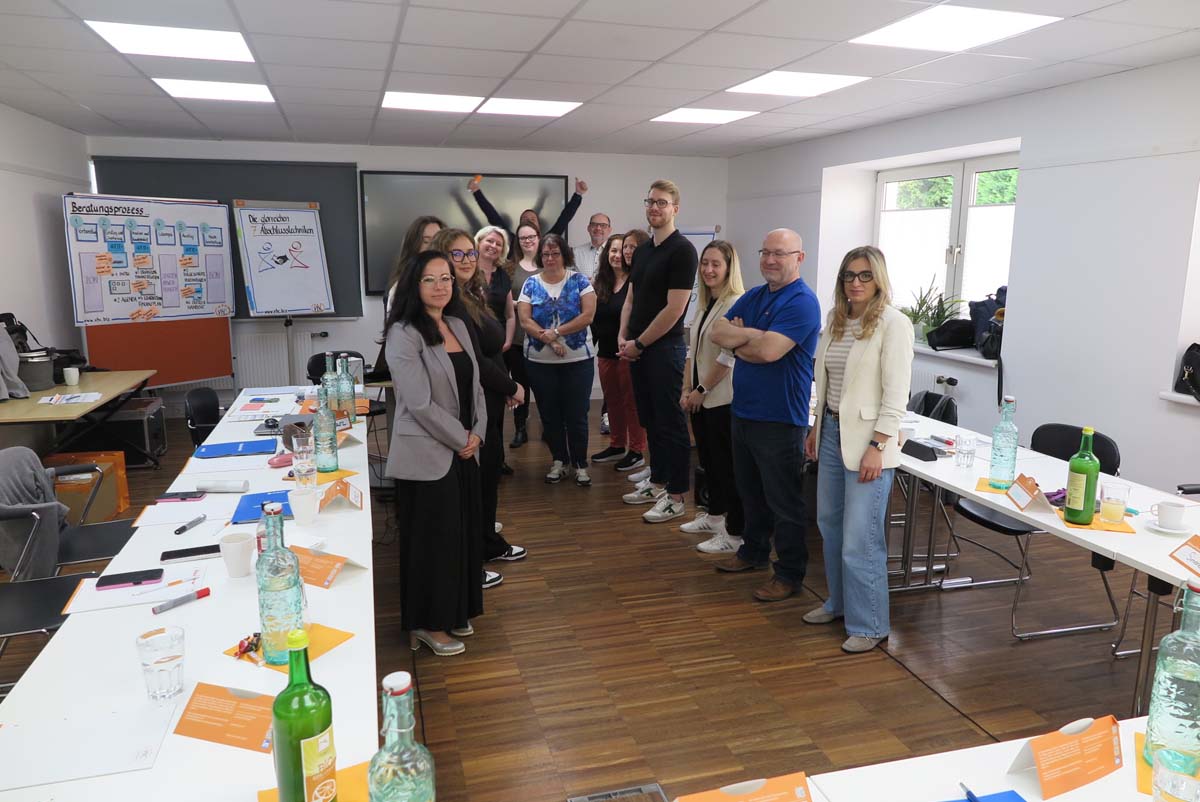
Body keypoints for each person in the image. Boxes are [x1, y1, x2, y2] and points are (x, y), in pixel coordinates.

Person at [805, 246, 913, 653]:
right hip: (831, 432)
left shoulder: (893, 324)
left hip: (870, 442)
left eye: (865, 275)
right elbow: (828, 384)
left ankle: (870, 624)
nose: (856, 282)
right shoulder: (836, 319)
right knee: (829, 525)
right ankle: (839, 604)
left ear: (878, 279)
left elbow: (896, 394)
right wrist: (817, 429)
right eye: (849, 275)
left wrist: (878, 445)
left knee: (860, 539)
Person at [709, 229, 821, 604]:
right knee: (751, 493)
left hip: (780, 418)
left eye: (780, 254)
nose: (770, 260)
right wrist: (752, 337)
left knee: (784, 502)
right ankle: (753, 552)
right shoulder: (755, 295)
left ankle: (789, 573)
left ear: (799, 258)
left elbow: (769, 352)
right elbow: (718, 332)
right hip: (744, 412)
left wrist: (743, 338)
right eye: (765, 252)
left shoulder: (803, 302)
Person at [385, 250, 486, 657]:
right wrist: (462, 438)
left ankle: (455, 611)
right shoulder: (404, 333)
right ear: (415, 284)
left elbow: (475, 386)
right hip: (428, 452)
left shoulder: (457, 324)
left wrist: (478, 433)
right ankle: (426, 624)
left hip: (465, 447)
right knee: (433, 543)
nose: (440, 286)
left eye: (446, 278)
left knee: (461, 536)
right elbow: (419, 403)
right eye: (430, 279)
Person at [430, 228, 528, 578]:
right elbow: (475, 360)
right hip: (475, 400)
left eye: (469, 253)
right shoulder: (452, 303)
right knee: (477, 481)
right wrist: (512, 386)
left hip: (490, 395)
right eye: (457, 254)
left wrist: (503, 386)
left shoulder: (470, 294)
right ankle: (473, 559)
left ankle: (487, 541)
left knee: (488, 477)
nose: (467, 259)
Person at [618, 180, 697, 524]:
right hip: (637, 348)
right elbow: (631, 299)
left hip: (664, 349)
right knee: (650, 419)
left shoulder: (683, 251)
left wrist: (639, 343)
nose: (654, 208)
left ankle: (677, 496)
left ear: (675, 208)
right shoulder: (644, 250)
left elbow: (674, 309)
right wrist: (623, 336)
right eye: (650, 201)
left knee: (670, 423)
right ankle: (658, 482)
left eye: (662, 203)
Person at [680, 241, 746, 554]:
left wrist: (701, 390)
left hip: (721, 399)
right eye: (705, 263)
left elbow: (728, 356)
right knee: (708, 463)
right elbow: (692, 352)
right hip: (700, 398)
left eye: (716, 264)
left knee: (725, 467)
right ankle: (714, 516)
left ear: (729, 268)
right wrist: (686, 389)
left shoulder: (737, 303)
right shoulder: (706, 303)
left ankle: (733, 534)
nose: (708, 269)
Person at [517, 233, 596, 486]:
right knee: (549, 414)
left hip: (578, 361)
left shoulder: (579, 280)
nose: (550, 258)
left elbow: (588, 316)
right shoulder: (530, 283)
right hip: (539, 363)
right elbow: (525, 320)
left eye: (555, 253)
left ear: (564, 255)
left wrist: (557, 332)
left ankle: (580, 464)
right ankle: (559, 461)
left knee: (577, 414)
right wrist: (550, 340)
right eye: (546, 254)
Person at [590, 233, 646, 472]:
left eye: (621, 250)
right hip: (605, 352)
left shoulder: (636, 280)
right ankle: (616, 444)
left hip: (628, 353)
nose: (617, 255)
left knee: (631, 402)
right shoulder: (600, 283)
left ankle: (637, 450)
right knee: (611, 401)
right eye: (612, 250)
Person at [476, 224, 517, 474]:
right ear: (479, 243)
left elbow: (510, 314)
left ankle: (497, 459)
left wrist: (507, 341)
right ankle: (478, 458)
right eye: (489, 241)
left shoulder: (503, 275)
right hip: (474, 345)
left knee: (497, 405)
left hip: (498, 348)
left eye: (498, 243)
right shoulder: (467, 271)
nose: (493, 246)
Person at [468, 175, 586, 262]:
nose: (529, 221)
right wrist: (476, 191)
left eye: (532, 219)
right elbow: (492, 216)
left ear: (539, 226)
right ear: (519, 227)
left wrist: (578, 194)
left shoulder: (547, 241)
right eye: (525, 219)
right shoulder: (512, 241)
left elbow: (564, 219)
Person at [506, 222, 541, 448]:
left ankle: (550, 429)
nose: (527, 241)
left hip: (544, 338)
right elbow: (503, 301)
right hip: (518, 339)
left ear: (538, 237)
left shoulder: (548, 264)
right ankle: (520, 429)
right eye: (522, 238)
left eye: (531, 237)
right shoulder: (510, 268)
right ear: (518, 242)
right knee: (520, 386)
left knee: (545, 387)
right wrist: (521, 304)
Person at [385, 215, 444, 315]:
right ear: (414, 245)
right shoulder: (402, 289)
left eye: (437, 240)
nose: (433, 246)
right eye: (426, 241)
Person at [573, 212, 612, 280]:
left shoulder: (617, 253)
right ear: (588, 228)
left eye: (603, 225)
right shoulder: (575, 252)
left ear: (609, 230)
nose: (598, 228)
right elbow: (569, 279)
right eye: (594, 224)